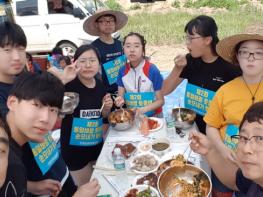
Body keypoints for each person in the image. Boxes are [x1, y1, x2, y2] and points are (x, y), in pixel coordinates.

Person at [0, 21, 97, 196]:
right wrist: (29, 185)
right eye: (7, 50)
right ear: (12, 103)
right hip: (31, 177)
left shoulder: (23, 77)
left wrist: (63, 79)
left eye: (21, 49)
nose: (17, 57)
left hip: (53, 165)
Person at [4, 72, 100, 197]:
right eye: (37, 105)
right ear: (12, 102)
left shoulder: (14, 146)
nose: (46, 118)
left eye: (53, 110)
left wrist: (31, 186)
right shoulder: (6, 157)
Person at [204, 31, 263, 196]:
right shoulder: (225, 91)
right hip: (227, 160)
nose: (251, 58)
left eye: (258, 53)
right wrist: (222, 150)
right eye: (245, 52)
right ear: (237, 56)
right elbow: (211, 126)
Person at [161, 15, 241, 133]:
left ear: (207, 40)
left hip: (217, 133)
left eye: (191, 38)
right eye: (186, 38)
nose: (187, 44)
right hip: (192, 128)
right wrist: (178, 68)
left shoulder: (229, 67)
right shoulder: (190, 61)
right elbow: (164, 90)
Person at [60, 45, 113, 186]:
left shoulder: (100, 85)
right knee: (86, 189)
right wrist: (62, 81)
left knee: (100, 185)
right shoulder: (68, 86)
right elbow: (56, 111)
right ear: (75, 63)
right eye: (83, 61)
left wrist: (107, 107)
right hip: (75, 152)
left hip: (96, 146)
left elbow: (102, 115)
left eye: (92, 60)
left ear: (99, 63)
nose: (88, 65)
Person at [190, 101, 263, 196]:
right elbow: (234, 181)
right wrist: (209, 150)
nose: (246, 149)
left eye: (260, 138)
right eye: (243, 137)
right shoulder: (254, 179)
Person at [115, 32, 164, 117]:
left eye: (136, 46)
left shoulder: (152, 70)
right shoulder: (122, 71)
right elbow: (121, 96)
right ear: (124, 49)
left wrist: (142, 110)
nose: (132, 50)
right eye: (128, 46)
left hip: (154, 116)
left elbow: (161, 101)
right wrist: (119, 100)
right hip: (132, 116)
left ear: (143, 50)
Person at [84, 8, 128, 94]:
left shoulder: (121, 44)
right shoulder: (93, 47)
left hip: (124, 91)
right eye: (103, 21)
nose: (108, 23)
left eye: (111, 20)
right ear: (97, 24)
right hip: (105, 94)